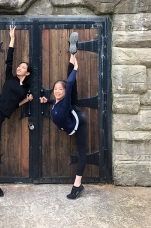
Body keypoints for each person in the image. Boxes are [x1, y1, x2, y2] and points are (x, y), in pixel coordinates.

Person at [0, 23, 33, 197]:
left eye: (23, 68)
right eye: (19, 66)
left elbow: (14, 104)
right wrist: (12, 40)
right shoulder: (10, 78)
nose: (19, 68)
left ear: (27, 73)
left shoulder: (24, 89)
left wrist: (26, 100)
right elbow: (9, 59)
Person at [40, 32, 87, 199]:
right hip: (71, 109)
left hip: (78, 121)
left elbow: (71, 83)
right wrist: (48, 101)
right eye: (56, 89)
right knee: (69, 86)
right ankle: (72, 52)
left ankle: (77, 186)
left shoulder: (65, 100)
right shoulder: (57, 101)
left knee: (82, 152)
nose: (57, 91)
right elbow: (56, 102)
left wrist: (76, 69)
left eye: (60, 89)